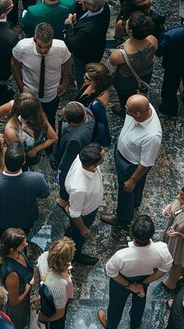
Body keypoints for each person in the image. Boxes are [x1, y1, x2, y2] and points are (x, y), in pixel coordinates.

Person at [97, 214, 173, 329]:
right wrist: (144, 282)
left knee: (116, 304)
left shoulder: (121, 256)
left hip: (122, 281)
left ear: (133, 234)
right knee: (139, 302)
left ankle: (111, 326)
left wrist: (129, 285)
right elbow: (165, 268)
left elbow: (111, 272)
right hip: (145, 278)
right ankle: (135, 324)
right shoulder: (162, 250)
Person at [102, 94, 162, 226]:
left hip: (131, 165)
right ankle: (136, 202)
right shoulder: (145, 108)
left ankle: (123, 217)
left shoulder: (152, 136)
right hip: (124, 154)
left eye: (127, 109)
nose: (125, 110)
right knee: (136, 187)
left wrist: (132, 180)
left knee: (126, 190)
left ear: (138, 114)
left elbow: (146, 163)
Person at [0, 142, 50, 238]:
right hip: (26, 220)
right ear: (23, 162)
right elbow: (45, 194)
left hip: (2, 222)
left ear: (4, 160)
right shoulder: (37, 178)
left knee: (4, 239)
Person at [11, 22, 72, 128]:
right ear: (35, 39)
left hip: (52, 94)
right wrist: (21, 86)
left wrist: (65, 82)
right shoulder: (22, 47)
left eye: (48, 46)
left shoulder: (61, 47)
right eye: (40, 46)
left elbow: (67, 62)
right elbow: (14, 64)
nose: (44, 50)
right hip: (29, 94)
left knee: (49, 120)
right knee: (29, 122)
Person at [0, 92, 58, 167]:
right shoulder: (11, 130)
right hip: (22, 155)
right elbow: (19, 155)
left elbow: (54, 137)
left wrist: (36, 149)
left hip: (33, 150)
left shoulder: (36, 112)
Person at [107, 12, 158, 112]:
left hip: (126, 81)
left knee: (125, 98)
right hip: (146, 74)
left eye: (127, 22)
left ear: (130, 31)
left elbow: (109, 70)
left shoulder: (119, 54)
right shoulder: (153, 40)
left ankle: (124, 111)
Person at [65, 143, 105, 265]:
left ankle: (71, 230)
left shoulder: (81, 158)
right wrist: (83, 229)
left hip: (84, 203)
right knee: (78, 237)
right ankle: (76, 255)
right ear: (93, 166)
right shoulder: (80, 188)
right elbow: (76, 214)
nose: (104, 155)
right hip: (85, 213)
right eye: (102, 158)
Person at [64, 0, 110, 84]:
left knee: (83, 75)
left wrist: (69, 27)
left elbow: (72, 45)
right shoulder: (103, 5)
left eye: (84, 3)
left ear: (94, 6)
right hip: (97, 45)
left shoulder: (89, 29)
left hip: (84, 57)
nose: (81, 4)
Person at [53, 102, 95, 202]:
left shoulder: (73, 140)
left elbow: (66, 162)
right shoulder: (88, 114)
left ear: (71, 123)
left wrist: (60, 171)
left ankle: (64, 198)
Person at [34, 237, 75, 329]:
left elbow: (37, 276)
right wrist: (44, 318)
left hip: (48, 294)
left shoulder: (43, 257)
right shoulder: (59, 284)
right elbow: (59, 314)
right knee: (57, 328)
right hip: (55, 304)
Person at [0, 229, 35, 329]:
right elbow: (14, 302)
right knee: (16, 326)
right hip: (17, 307)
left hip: (24, 296)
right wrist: (31, 284)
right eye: (23, 243)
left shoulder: (19, 252)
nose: (26, 244)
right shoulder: (11, 274)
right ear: (12, 248)